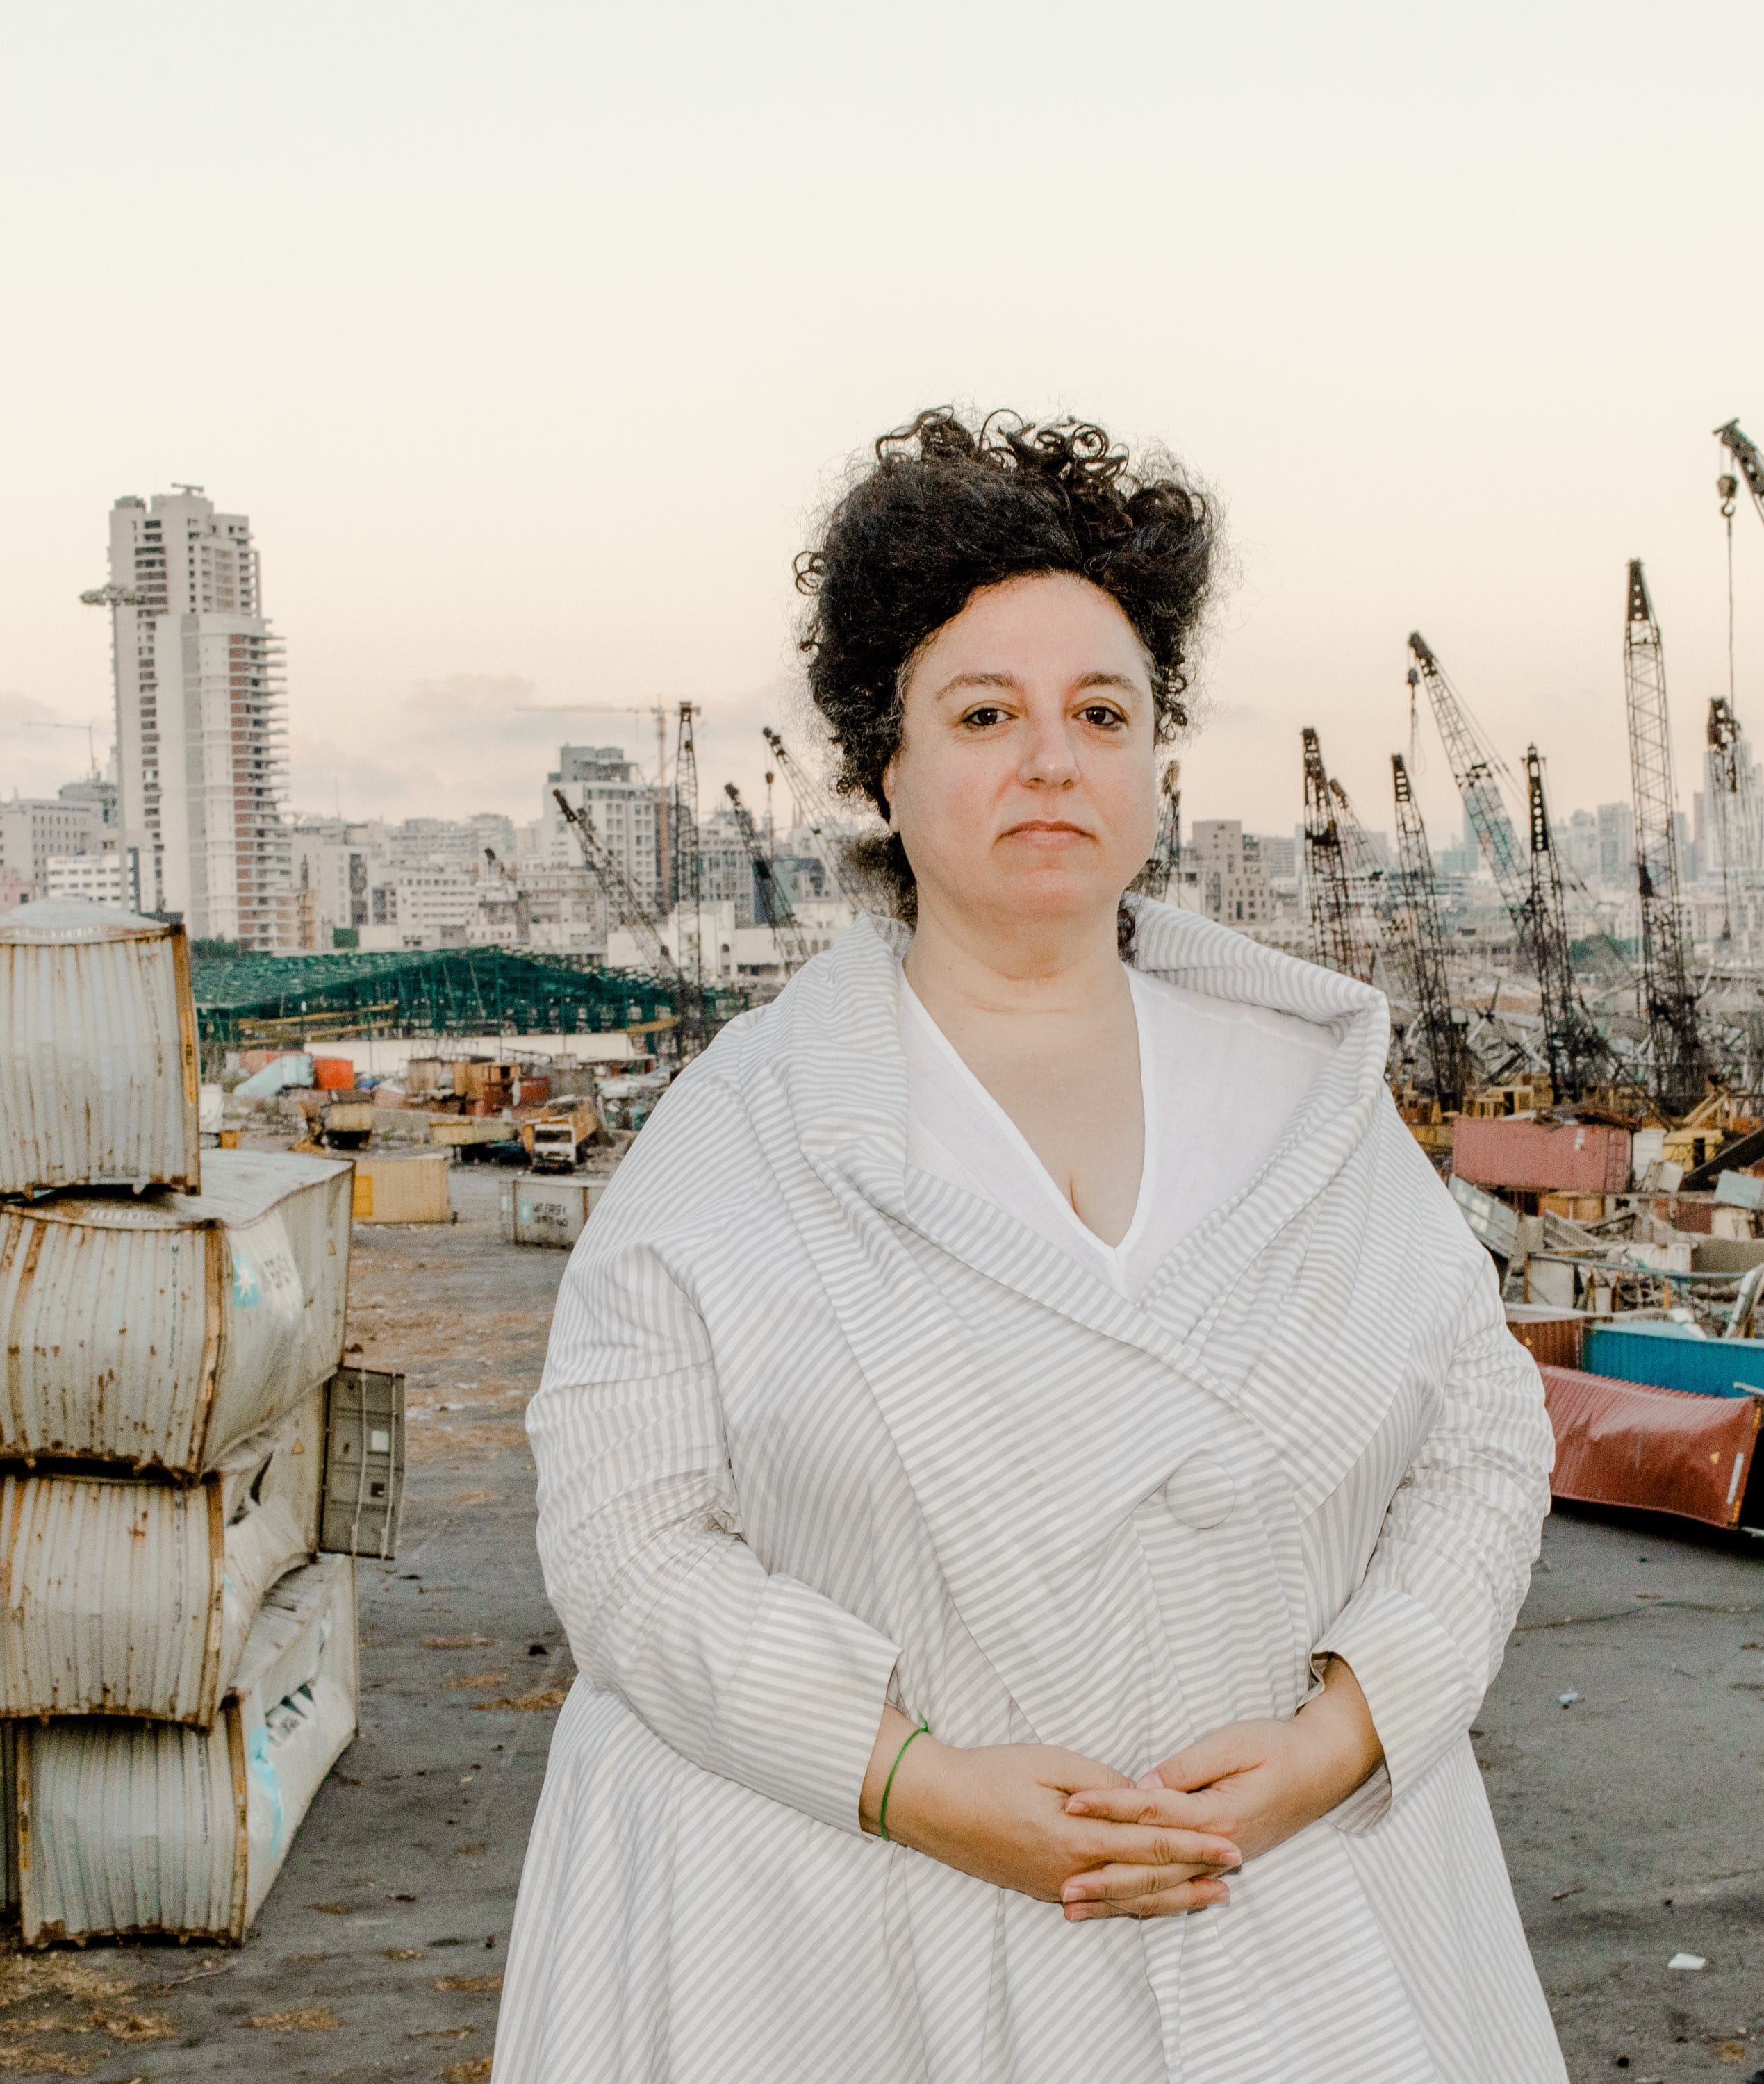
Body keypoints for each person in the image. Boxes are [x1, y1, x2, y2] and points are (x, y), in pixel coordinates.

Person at [494, 411, 1565, 2083]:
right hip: (861, 1950)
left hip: (1288, 1911)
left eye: (1102, 713)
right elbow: (624, 1530)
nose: (1050, 758)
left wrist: (1343, 1737)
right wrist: (909, 1780)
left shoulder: (1317, 1099)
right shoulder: (745, 1127)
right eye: (983, 713)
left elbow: (1484, 1443)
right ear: (886, 767)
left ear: (1158, 764)